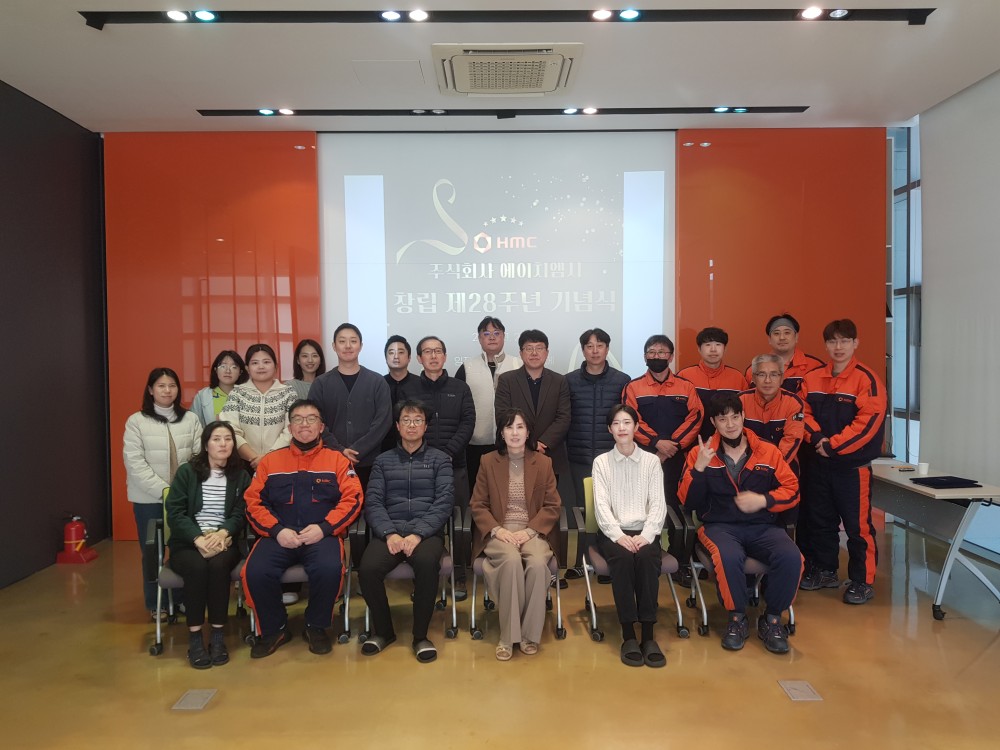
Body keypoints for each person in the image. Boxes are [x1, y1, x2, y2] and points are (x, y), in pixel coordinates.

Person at [678, 394, 803, 654]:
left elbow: (792, 490)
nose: (730, 424)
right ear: (714, 422)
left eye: (735, 417)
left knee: (792, 556)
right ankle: (736, 618)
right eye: (723, 419)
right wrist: (698, 470)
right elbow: (686, 501)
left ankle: (772, 620)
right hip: (719, 526)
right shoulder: (700, 453)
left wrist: (764, 500)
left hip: (763, 526)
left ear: (743, 417)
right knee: (729, 556)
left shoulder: (768, 451)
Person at [242, 400, 363, 658]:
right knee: (255, 571)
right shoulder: (270, 462)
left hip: (321, 535)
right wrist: (277, 530)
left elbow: (353, 498)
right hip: (278, 535)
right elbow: (253, 502)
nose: (304, 424)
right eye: (297, 419)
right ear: (290, 427)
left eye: (311, 419)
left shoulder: (338, 461)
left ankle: (316, 626)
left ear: (321, 426)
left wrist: (325, 528)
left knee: (329, 569)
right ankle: (274, 629)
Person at [798, 319, 887, 605]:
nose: (838, 347)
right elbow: (801, 413)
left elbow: (868, 423)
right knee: (820, 522)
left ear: (855, 343)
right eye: (833, 341)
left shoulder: (867, 379)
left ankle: (863, 581)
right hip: (819, 465)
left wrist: (832, 446)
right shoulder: (812, 378)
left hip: (851, 469)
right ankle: (826, 571)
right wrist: (818, 440)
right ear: (825, 345)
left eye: (844, 341)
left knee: (858, 528)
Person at [358, 400, 454, 663]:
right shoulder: (382, 461)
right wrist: (390, 533)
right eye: (406, 420)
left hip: (425, 534)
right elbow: (373, 502)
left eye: (418, 420)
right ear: (398, 426)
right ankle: (384, 632)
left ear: (426, 426)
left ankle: (420, 636)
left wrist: (417, 534)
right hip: (390, 532)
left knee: (426, 563)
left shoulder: (440, 460)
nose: (412, 425)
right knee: (367, 569)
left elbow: (444, 502)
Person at [470, 409, 561, 661]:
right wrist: (498, 530)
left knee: (537, 563)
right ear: (501, 432)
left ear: (528, 432)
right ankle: (509, 636)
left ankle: (530, 634)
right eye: (509, 427)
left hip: (533, 531)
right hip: (499, 531)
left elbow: (553, 505)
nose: (514, 433)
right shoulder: (488, 461)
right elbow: (478, 504)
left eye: (520, 427)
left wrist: (530, 530)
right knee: (510, 561)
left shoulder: (543, 463)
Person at [165, 421, 250, 669]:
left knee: (218, 566)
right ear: (205, 444)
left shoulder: (241, 475)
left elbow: (241, 512)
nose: (223, 444)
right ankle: (195, 638)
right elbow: (176, 512)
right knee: (197, 567)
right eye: (216, 439)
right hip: (189, 543)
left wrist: (223, 532)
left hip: (224, 541)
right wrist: (197, 538)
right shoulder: (187, 472)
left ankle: (217, 636)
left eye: (228, 439)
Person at [400, 335, 476, 598]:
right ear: (419, 358)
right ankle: (421, 578)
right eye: (427, 352)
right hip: (419, 468)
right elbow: (406, 426)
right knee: (420, 523)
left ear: (445, 356)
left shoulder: (460, 387)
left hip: (455, 465)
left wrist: (447, 453)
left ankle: (459, 576)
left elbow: (468, 422)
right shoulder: (409, 389)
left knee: (459, 523)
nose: (433, 356)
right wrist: (428, 456)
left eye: (438, 351)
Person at [123, 367, 202, 620]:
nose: (167, 391)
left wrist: (181, 493)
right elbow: (135, 463)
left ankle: (181, 599)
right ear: (150, 390)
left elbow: (199, 456)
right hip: (149, 499)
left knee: (184, 550)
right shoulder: (136, 421)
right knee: (152, 553)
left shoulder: (190, 419)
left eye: (172, 386)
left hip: (185, 499)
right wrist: (166, 492)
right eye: (161, 386)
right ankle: (156, 604)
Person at [592, 404, 667, 668]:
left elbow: (658, 504)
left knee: (646, 559)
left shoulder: (651, 461)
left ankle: (648, 634)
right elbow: (601, 506)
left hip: (644, 532)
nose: (622, 428)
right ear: (609, 429)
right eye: (616, 423)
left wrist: (646, 534)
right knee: (623, 560)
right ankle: (628, 635)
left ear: (636, 427)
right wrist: (617, 535)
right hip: (613, 533)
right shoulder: (601, 462)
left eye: (627, 422)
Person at [622, 335, 703, 570]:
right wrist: (656, 442)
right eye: (652, 352)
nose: (656, 356)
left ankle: (680, 563)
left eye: (662, 352)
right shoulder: (633, 387)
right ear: (645, 356)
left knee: (678, 510)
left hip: (677, 460)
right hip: (643, 459)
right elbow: (630, 418)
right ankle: (650, 557)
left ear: (671, 356)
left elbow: (696, 417)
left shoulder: (685, 386)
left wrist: (671, 447)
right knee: (645, 510)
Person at [564, 327, 630, 578]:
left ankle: (605, 562)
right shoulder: (569, 381)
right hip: (579, 456)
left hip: (611, 458)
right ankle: (581, 562)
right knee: (583, 512)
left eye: (599, 345)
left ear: (607, 349)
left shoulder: (622, 380)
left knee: (610, 511)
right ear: (583, 350)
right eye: (589, 346)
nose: (594, 351)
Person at [308, 323, 392, 491]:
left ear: (360, 346)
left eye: (353, 341)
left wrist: (357, 450)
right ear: (334, 346)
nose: (348, 346)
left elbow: (383, 422)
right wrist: (339, 450)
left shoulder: (377, 382)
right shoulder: (320, 384)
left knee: (369, 505)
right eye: (342, 341)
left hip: (369, 463)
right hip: (330, 462)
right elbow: (314, 420)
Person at [455, 316, 522, 492]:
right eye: (486, 333)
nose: (491, 337)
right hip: (476, 443)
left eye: (496, 333)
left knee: (508, 492)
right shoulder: (467, 367)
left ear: (504, 336)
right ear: (479, 338)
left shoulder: (518, 364)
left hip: (511, 442)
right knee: (479, 492)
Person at [495, 329, 571, 479]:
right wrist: (530, 443)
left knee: (548, 494)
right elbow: (502, 416)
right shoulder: (506, 380)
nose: (534, 353)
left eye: (539, 348)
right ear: (521, 353)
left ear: (547, 352)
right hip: (515, 453)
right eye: (529, 348)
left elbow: (564, 417)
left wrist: (543, 442)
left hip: (550, 454)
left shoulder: (559, 381)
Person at [219, 343, 296, 470]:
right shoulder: (237, 393)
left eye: (266, 362)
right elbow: (230, 429)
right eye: (255, 363)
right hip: (244, 464)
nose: (261, 366)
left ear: (276, 366)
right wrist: (254, 458)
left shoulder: (288, 393)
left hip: (280, 462)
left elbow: (291, 429)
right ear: (247, 368)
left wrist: (268, 458)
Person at [677, 326, 748, 440]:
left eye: (718, 344)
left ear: (725, 348)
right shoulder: (684, 376)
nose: (713, 349)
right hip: (691, 441)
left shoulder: (738, 377)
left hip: (727, 442)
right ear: (699, 349)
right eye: (708, 345)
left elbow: (743, 414)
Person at [740, 354, 806, 472]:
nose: (768, 380)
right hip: (746, 467)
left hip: (783, 466)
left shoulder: (793, 402)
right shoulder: (740, 401)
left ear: (782, 378)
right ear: (753, 378)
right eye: (761, 374)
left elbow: (792, 439)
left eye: (774, 374)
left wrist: (768, 468)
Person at [745, 313, 824, 394]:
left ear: (796, 337)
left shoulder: (815, 367)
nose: (782, 338)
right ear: (769, 339)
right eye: (776, 333)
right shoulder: (753, 369)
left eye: (787, 333)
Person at [380, 335, 418, 453]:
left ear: (409, 357)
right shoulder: (378, 384)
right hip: (383, 448)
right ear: (385, 358)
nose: (396, 356)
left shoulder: (420, 384)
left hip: (415, 447)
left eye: (401, 352)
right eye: (391, 352)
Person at [191, 350, 248, 427]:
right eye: (223, 366)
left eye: (234, 367)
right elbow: (194, 426)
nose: (228, 371)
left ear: (240, 372)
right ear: (215, 370)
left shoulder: (248, 395)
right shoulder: (202, 396)